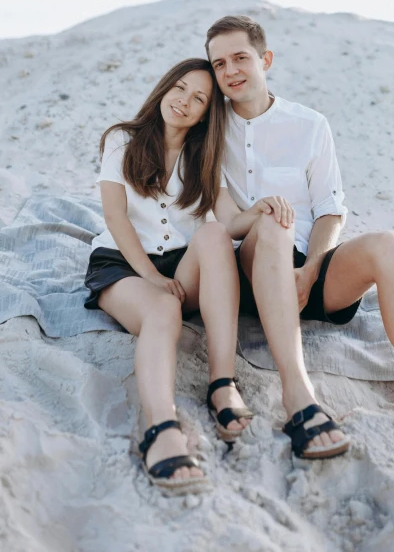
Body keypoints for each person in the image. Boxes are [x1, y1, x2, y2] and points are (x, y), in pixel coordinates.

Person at [205, 15, 394, 478]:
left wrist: (310, 270)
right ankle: (298, 395)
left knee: (386, 244)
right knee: (272, 222)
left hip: (312, 274)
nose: (230, 70)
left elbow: (330, 209)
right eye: (219, 62)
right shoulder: (209, 129)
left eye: (240, 57)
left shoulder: (309, 125)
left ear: (265, 59)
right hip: (251, 273)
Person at [84, 58, 261, 494]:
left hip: (179, 265)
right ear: (164, 89)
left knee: (216, 235)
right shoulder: (123, 139)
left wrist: (258, 213)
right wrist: (148, 276)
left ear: (206, 113)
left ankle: (222, 383)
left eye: (198, 97)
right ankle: (161, 428)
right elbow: (115, 215)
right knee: (162, 305)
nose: (184, 101)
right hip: (122, 263)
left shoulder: (204, 156)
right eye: (179, 88)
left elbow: (228, 220)